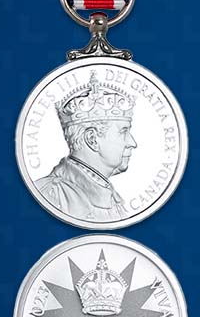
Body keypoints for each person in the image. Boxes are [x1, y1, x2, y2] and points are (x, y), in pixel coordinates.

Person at [35, 71, 137, 222]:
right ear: (92, 139)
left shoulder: (114, 199)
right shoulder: (50, 195)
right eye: (123, 131)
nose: (132, 143)